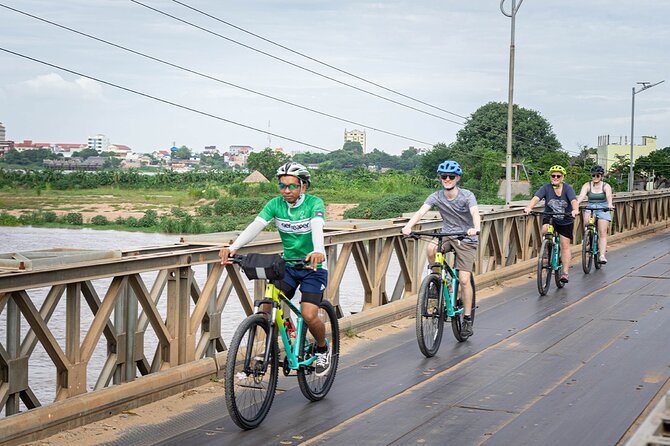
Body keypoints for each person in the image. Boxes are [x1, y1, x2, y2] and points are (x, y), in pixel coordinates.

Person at [219, 162, 331, 376]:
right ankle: (271, 346)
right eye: (282, 186)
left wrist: (318, 250)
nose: (286, 191)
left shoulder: (314, 203)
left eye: (292, 186)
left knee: (308, 315)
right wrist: (233, 248)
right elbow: (256, 225)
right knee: (267, 308)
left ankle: (323, 348)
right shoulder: (275, 205)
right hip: (287, 265)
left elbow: (317, 226)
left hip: (312, 266)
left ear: (303, 186)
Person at [401, 160, 480, 339]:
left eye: (451, 176)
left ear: (457, 178)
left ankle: (467, 318)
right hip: (447, 234)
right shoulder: (436, 196)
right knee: (430, 249)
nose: (447, 179)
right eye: (444, 176)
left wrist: (475, 228)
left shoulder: (467, 195)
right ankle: (437, 282)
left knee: (464, 279)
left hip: (466, 237)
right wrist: (408, 226)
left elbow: (475, 213)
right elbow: (421, 212)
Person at [523, 165, 579, 283]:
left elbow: (574, 200)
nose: (555, 177)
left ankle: (564, 273)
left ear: (562, 177)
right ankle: (548, 247)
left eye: (558, 176)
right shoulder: (546, 188)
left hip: (565, 219)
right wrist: (529, 207)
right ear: (550, 177)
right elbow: (536, 198)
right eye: (553, 175)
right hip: (550, 217)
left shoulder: (568, 189)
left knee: (565, 245)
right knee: (545, 230)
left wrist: (575, 210)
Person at [576, 165, 614, 263]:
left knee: (602, 232)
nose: (595, 177)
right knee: (586, 223)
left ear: (601, 176)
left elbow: (609, 196)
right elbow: (581, 196)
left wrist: (609, 204)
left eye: (598, 175)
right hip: (591, 207)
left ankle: (602, 255)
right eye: (593, 175)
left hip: (603, 208)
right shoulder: (587, 185)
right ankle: (588, 237)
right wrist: (576, 204)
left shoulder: (606, 186)